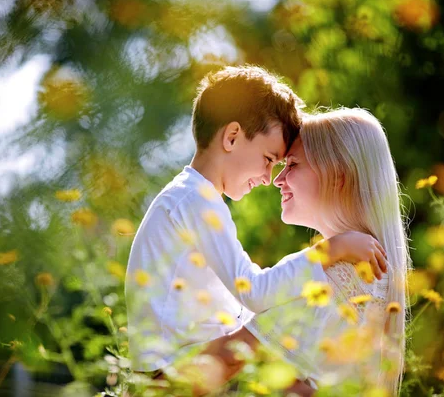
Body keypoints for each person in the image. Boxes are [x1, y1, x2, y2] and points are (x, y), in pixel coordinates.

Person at [124, 66, 389, 394]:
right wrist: (331, 251)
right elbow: (254, 290)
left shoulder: (191, 198)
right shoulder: (195, 200)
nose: (268, 178)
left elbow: (242, 304)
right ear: (232, 136)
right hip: (172, 372)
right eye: (268, 159)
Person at [244, 108, 411, 396]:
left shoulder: (343, 273)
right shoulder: (366, 268)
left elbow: (234, 358)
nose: (277, 179)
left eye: (293, 164)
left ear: (339, 174)